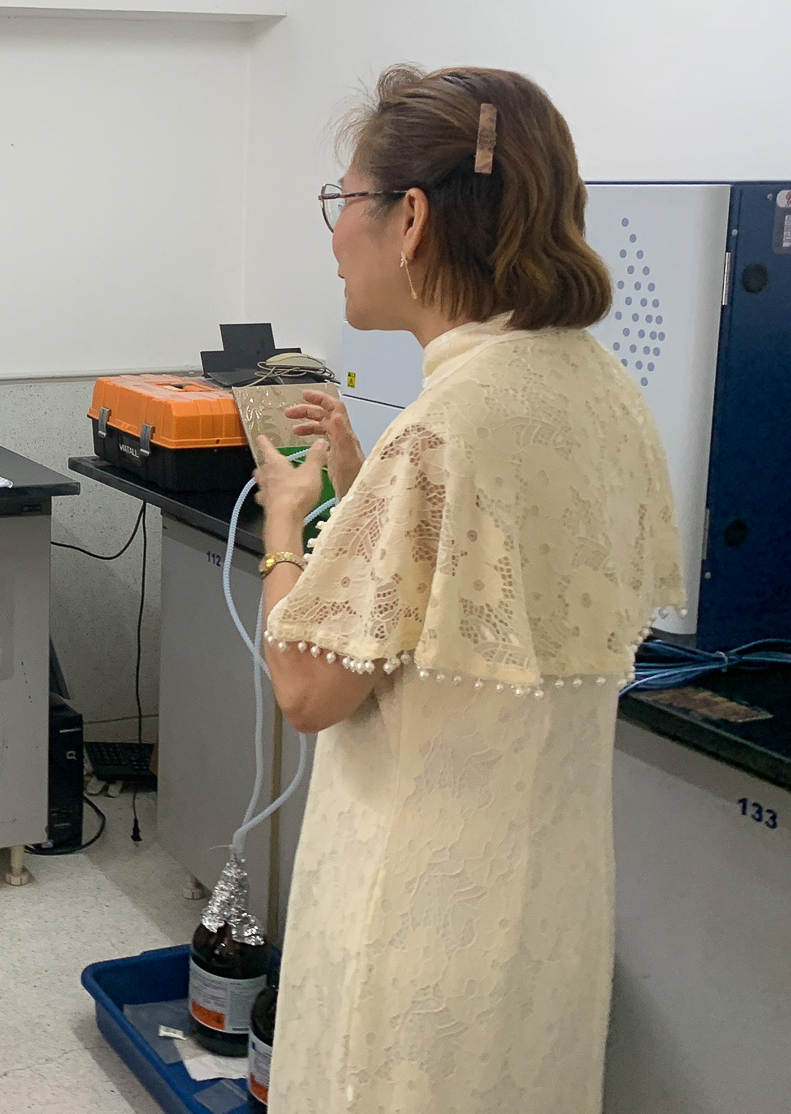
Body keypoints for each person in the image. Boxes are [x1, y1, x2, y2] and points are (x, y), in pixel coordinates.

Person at [251, 65, 683, 1113]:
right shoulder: (604, 391)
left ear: (410, 219)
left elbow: (308, 689)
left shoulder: (444, 425)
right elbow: (484, 601)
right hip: (546, 909)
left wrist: (285, 521)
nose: (335, 233)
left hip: (417, 922)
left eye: (344, 200)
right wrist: (362, 485)